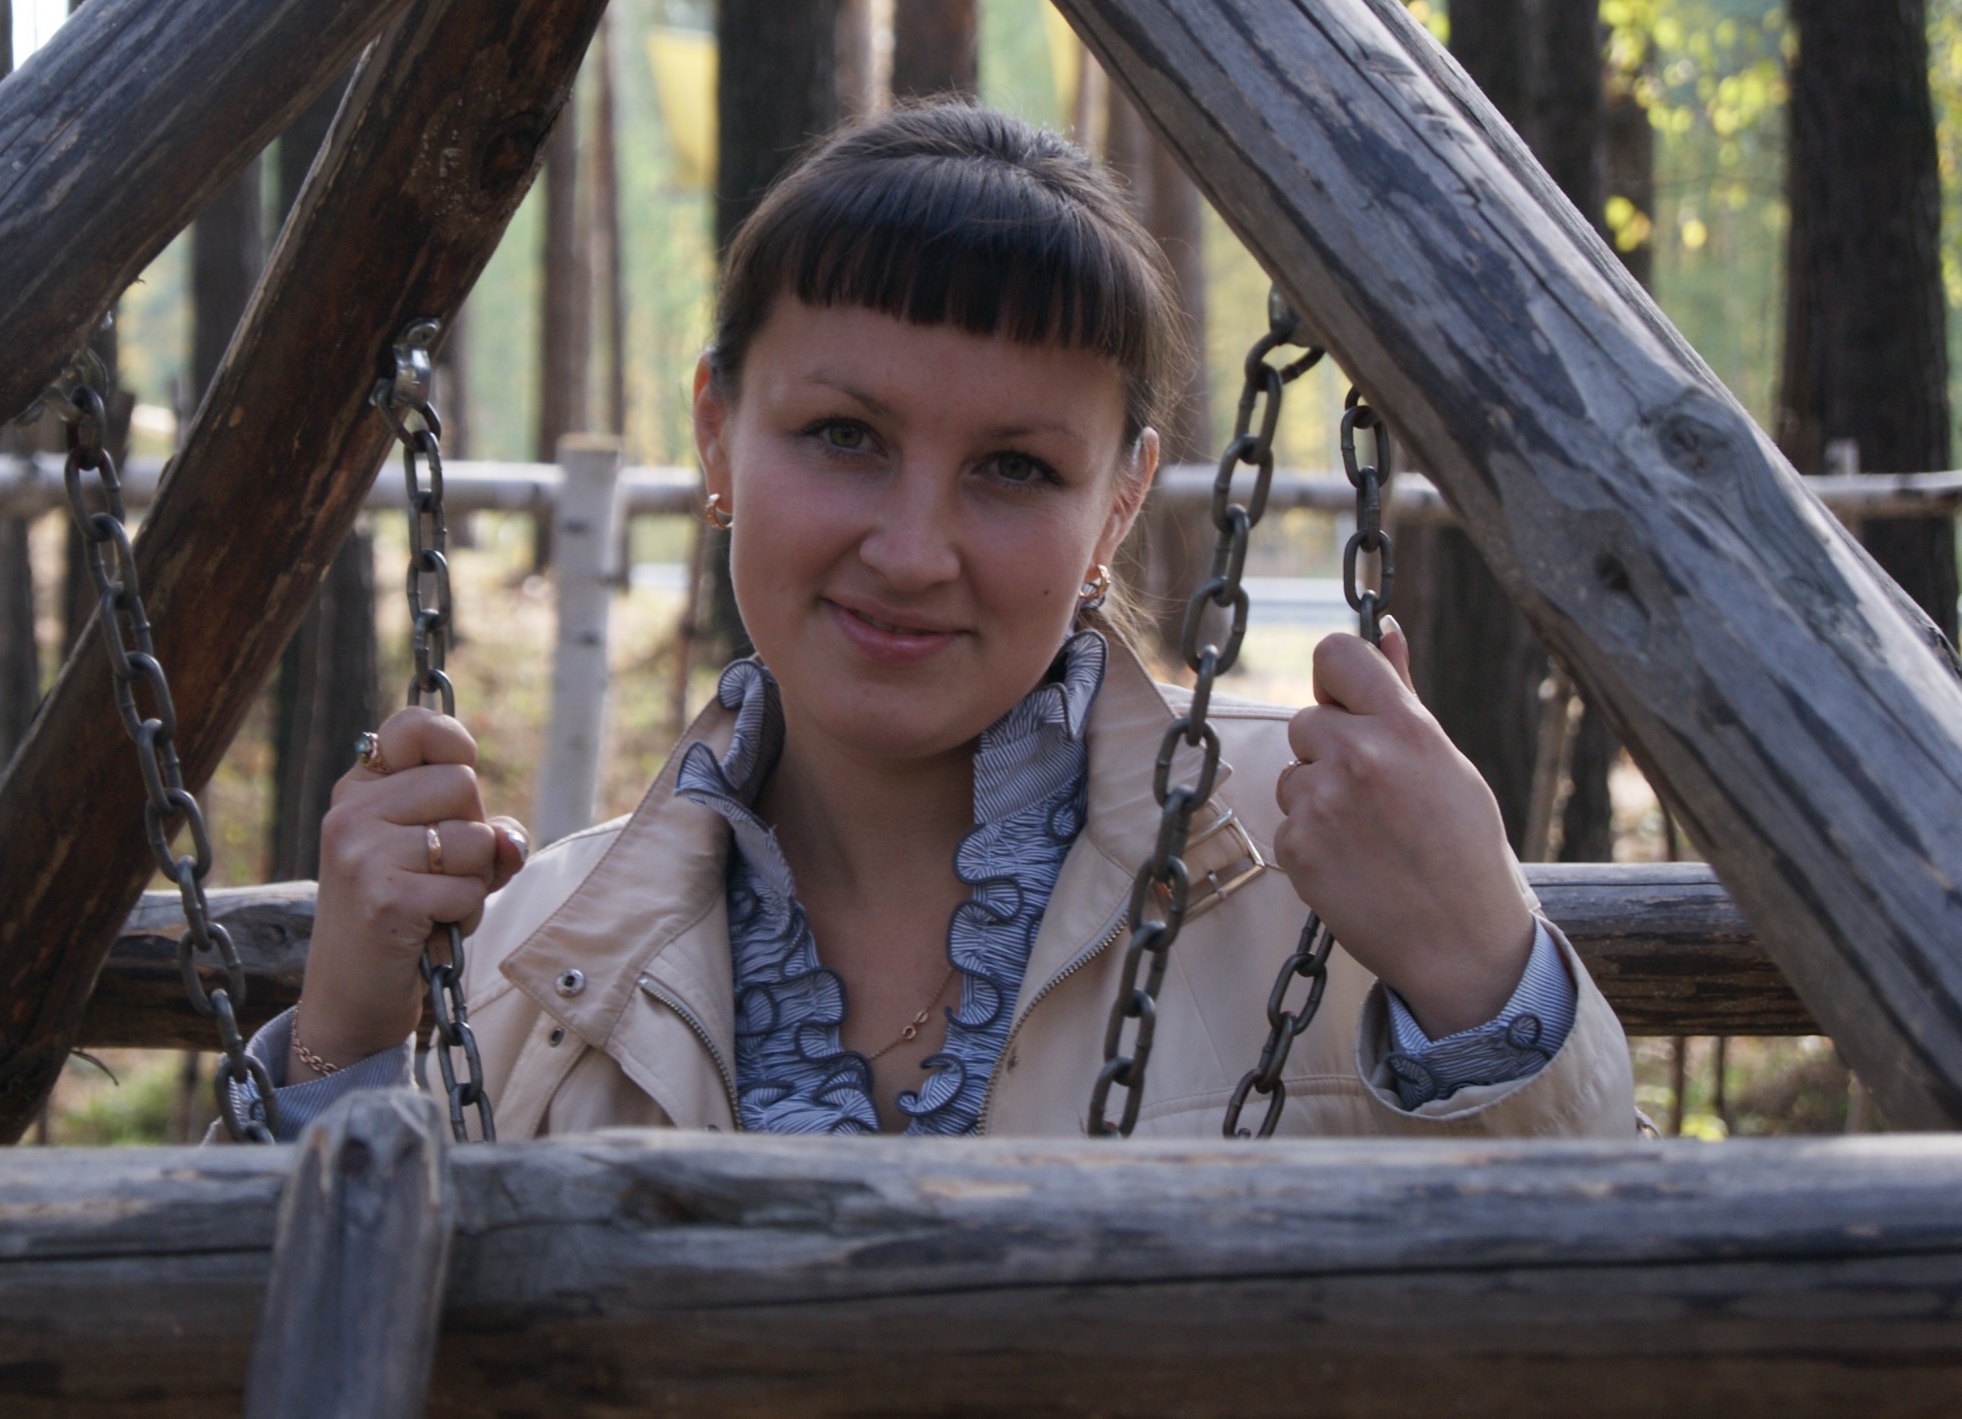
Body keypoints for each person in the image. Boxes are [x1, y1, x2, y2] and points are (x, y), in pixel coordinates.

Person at [246, 101, 1635, 1141]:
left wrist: (1483, 977)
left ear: (1119, 502)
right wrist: (345, 1039)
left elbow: (1616, 1320)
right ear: (719, 433)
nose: (912, 552)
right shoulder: (539, 941)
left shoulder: (1325, 858)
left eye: (1014, 468)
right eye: (845, 435)